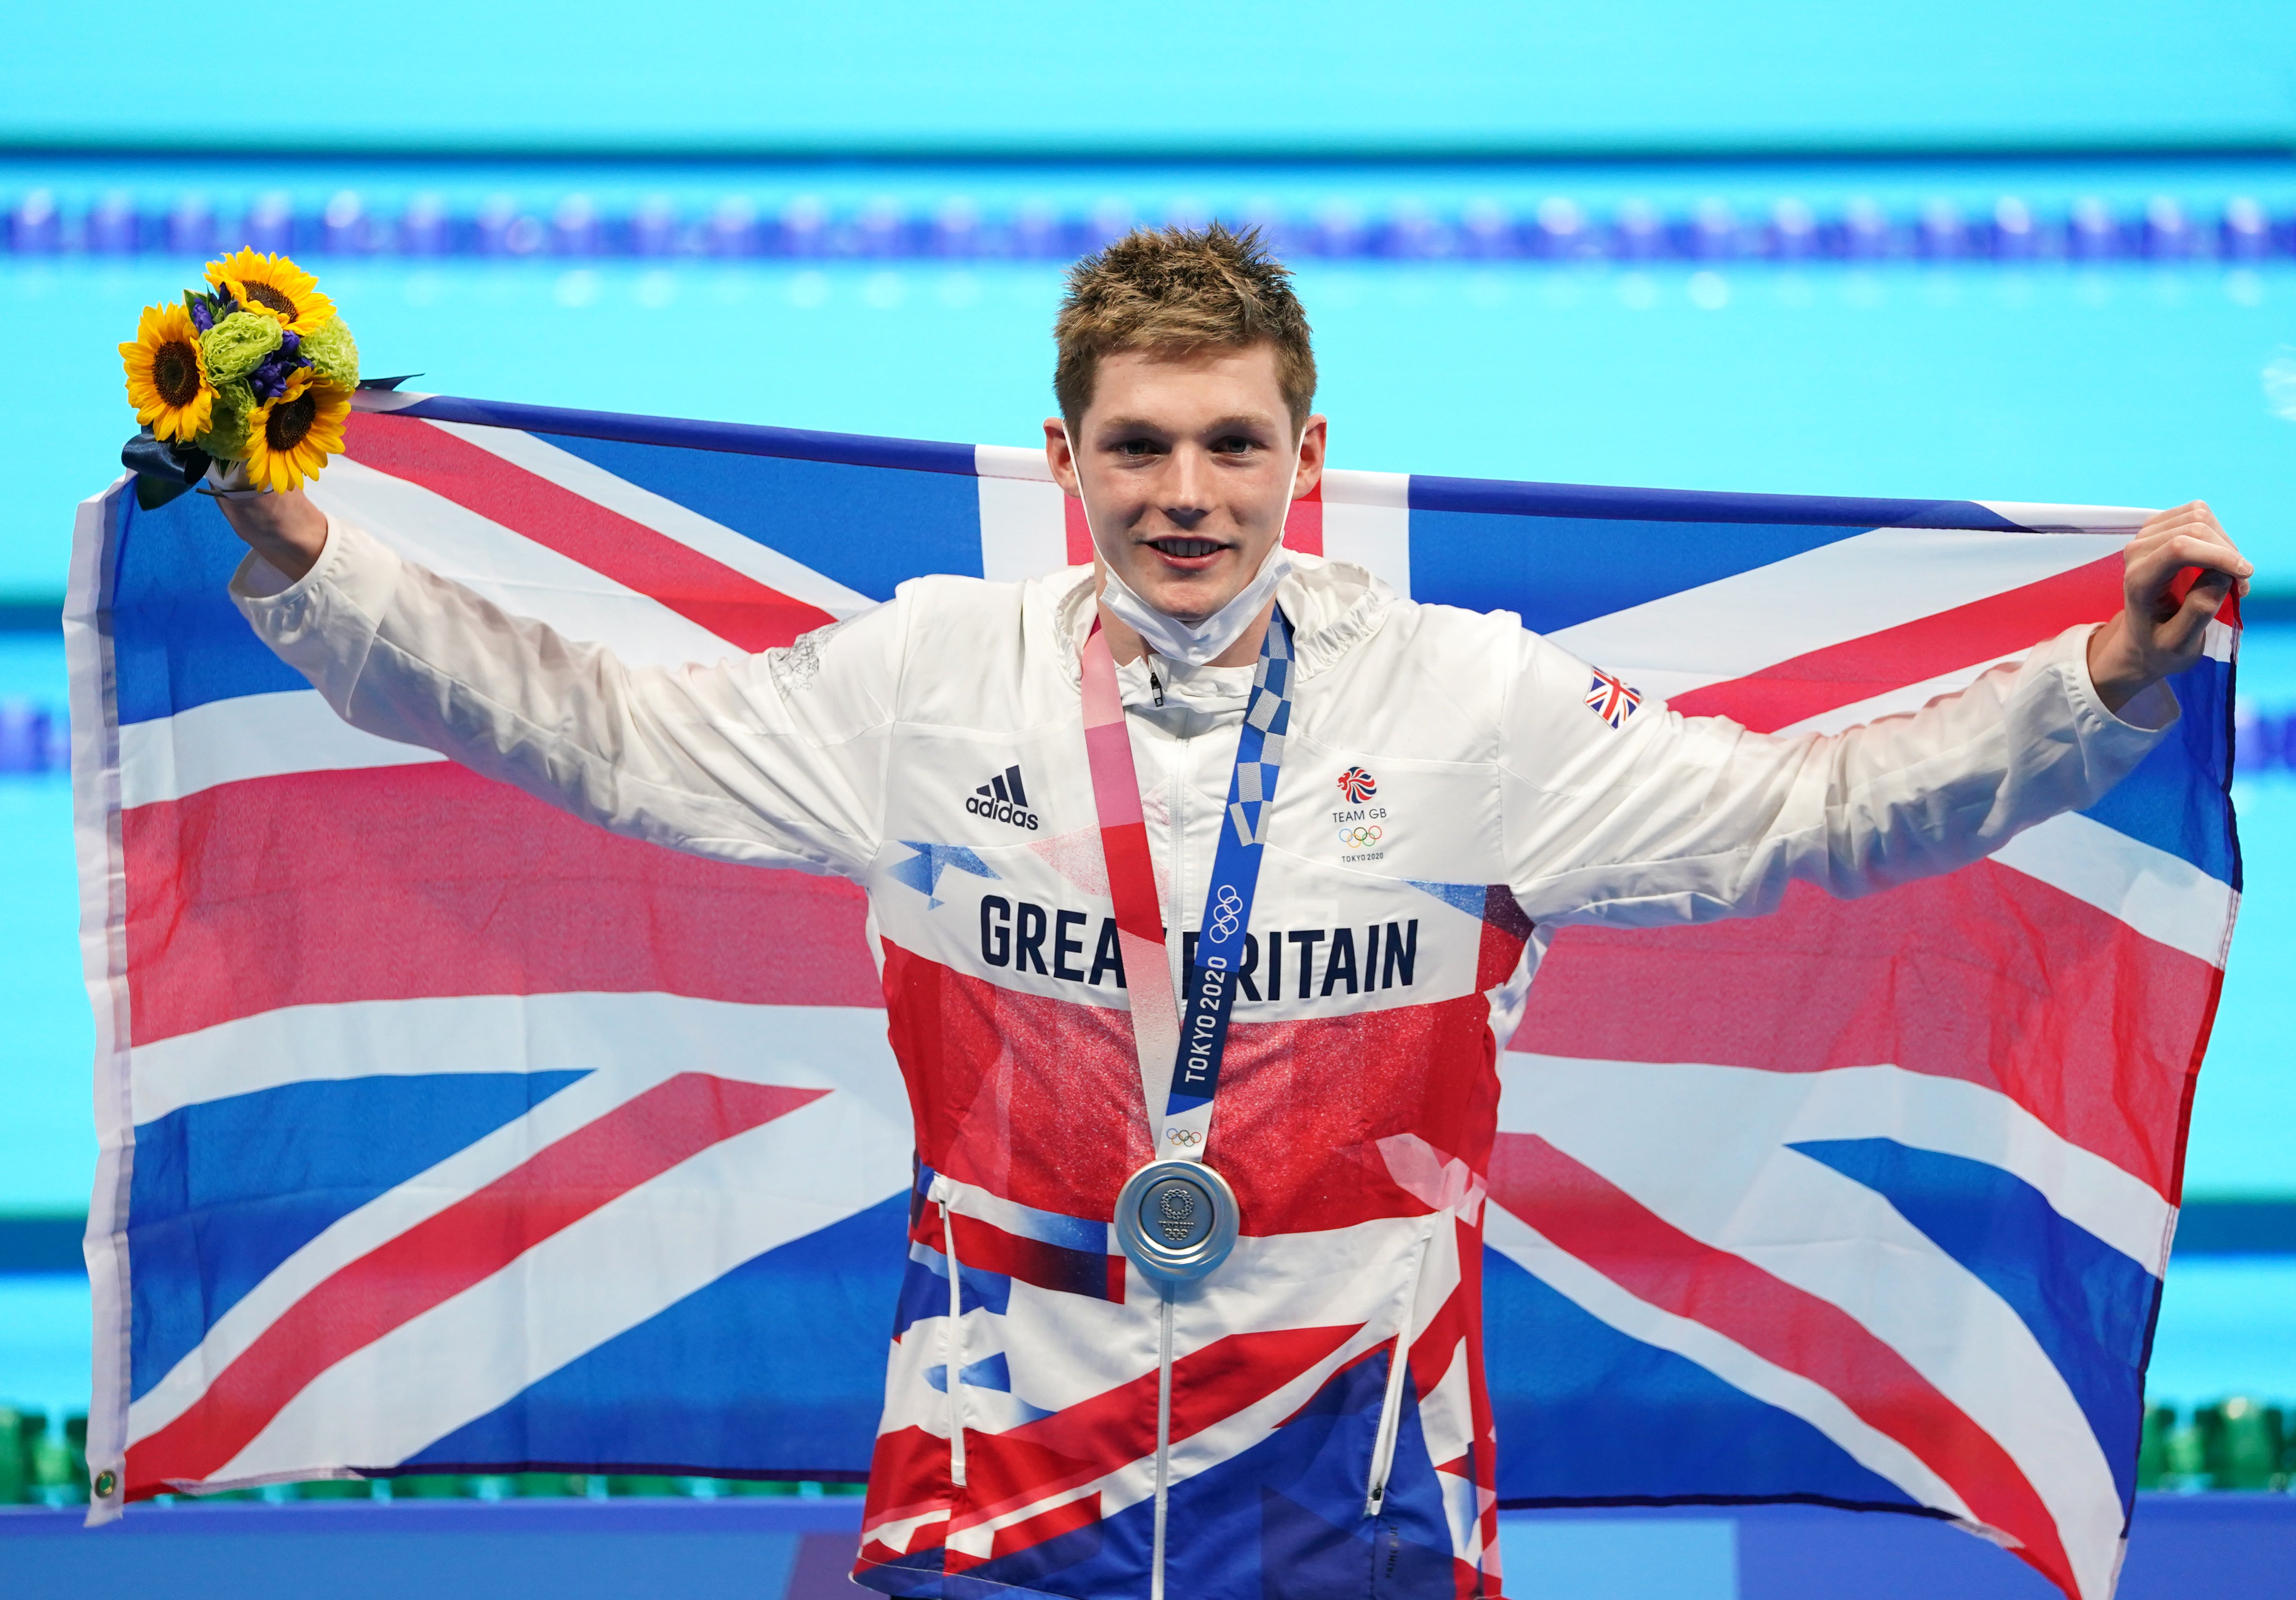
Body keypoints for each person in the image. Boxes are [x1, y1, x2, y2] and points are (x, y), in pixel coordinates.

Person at [212, 224, 2248, 1600]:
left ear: (1308, 454)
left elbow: (1814, 809)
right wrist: (291, 536)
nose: (1184, 491)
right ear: (1062, 456)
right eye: (1138, 445)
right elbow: (590, 730)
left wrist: (2100, 683)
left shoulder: (1472, 700)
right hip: (990, 1466)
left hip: (1354, 1474)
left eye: (1230, 443)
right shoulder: (926, 680)